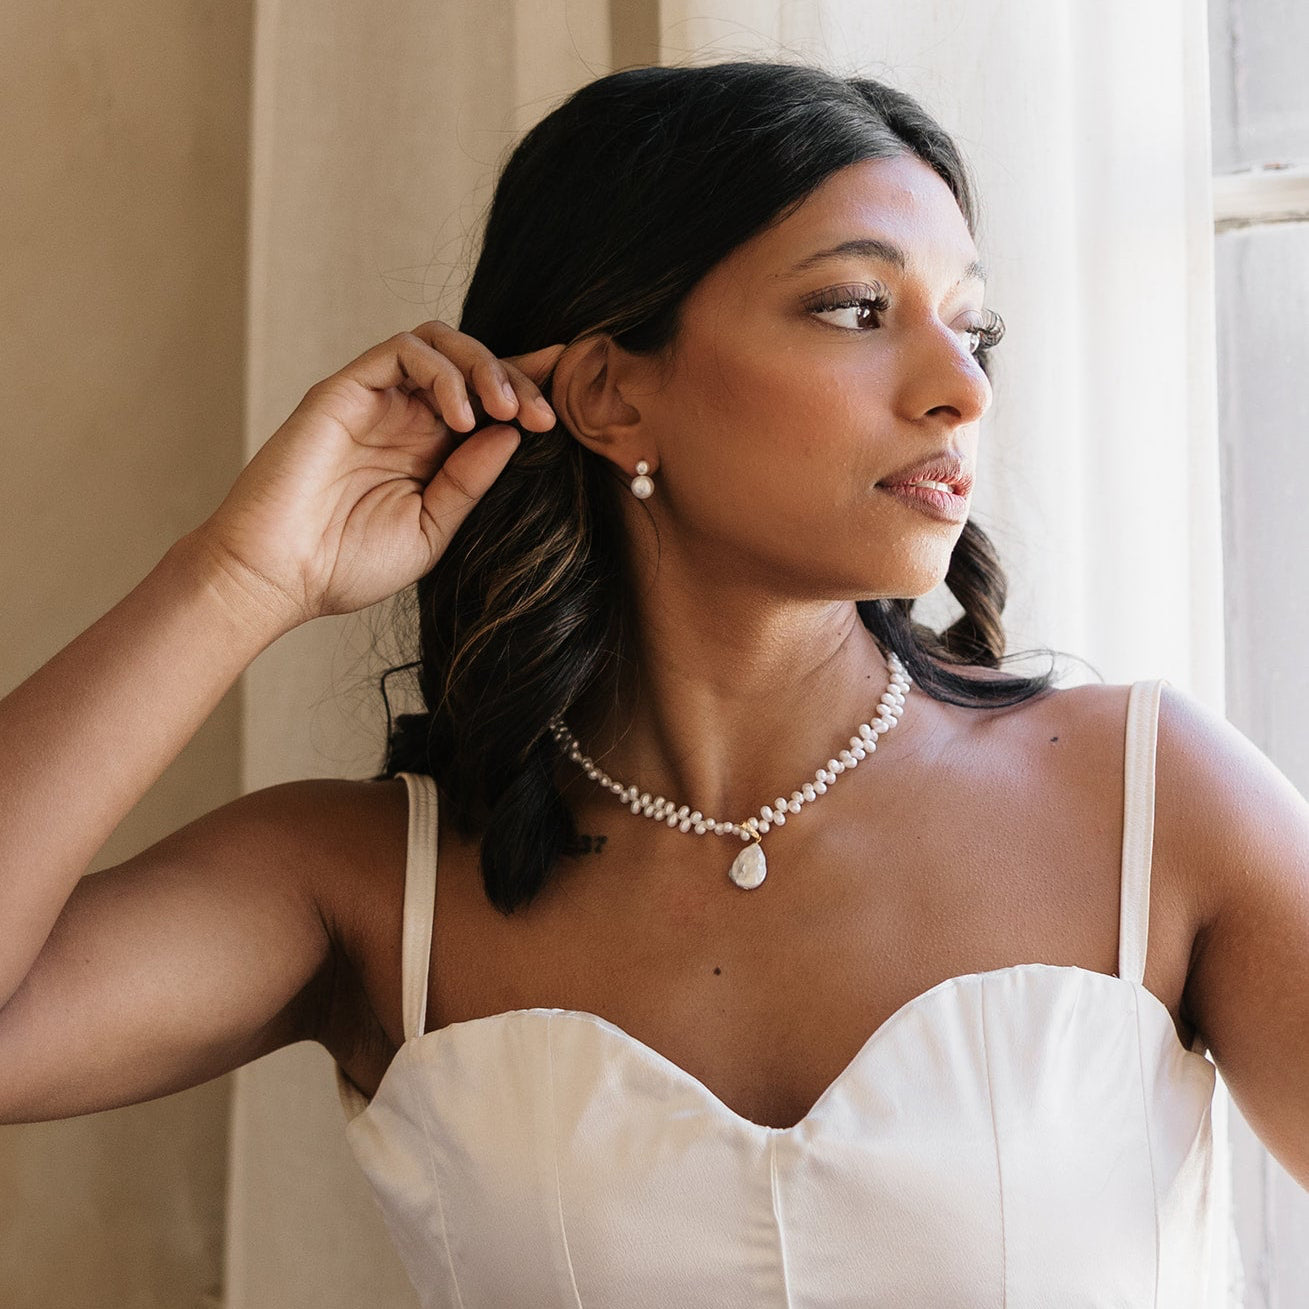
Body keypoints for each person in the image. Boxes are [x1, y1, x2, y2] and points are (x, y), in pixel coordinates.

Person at [2, 58, 1306, 1307]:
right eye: (858, 309)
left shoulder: (1152, 801)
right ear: (613, 396)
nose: (959, 389)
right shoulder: (363, 882)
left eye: (975, 330)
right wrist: (240, 573)